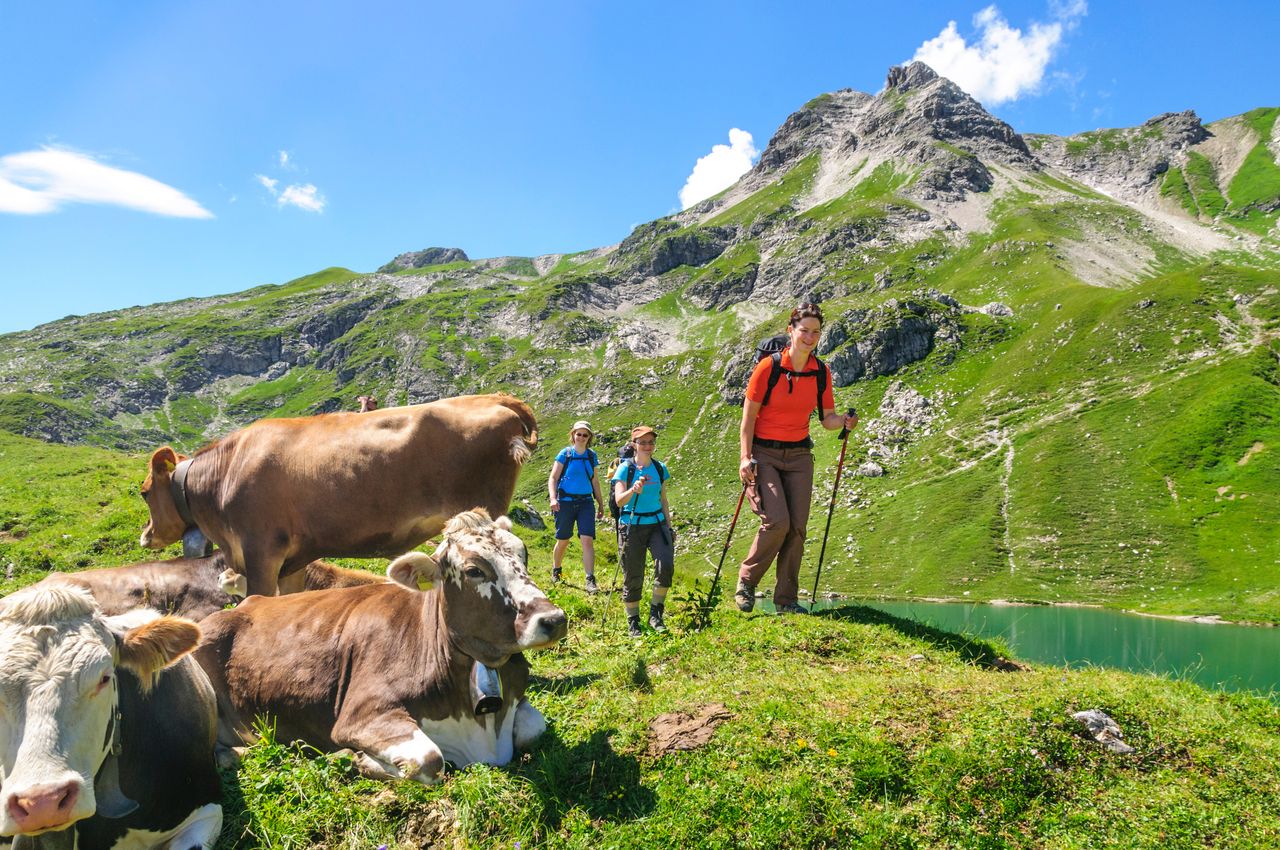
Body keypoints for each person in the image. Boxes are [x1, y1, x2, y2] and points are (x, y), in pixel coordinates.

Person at [736, 302, 858, 615]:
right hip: (765, 453)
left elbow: (826, 418)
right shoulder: (769, 367)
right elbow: (748, 420)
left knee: (797, 528)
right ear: (791, 330)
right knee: (778, 522)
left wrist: (842, 421)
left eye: (816, 332)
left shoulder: (821, 371)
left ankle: (786, 601)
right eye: (804, 330)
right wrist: (745, 458)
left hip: (800, 454)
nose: (810, 336)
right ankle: (747, 581)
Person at [612, 425, 675, 637]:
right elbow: (620, 500)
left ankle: (656, 614)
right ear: (634, 445)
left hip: (657, 524)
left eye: (651, 442)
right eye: (643, 442)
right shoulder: (625, 469)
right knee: (633, 574)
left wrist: (669, 526)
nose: (648, 446)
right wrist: (633, 489)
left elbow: (663, 500)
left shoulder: (659, 468)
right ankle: (633, 622)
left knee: (665, 565)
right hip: (632, 525)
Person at [548, 420, 605, 592]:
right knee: (563, 540)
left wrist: (601, 504)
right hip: (564, 503)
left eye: (584, 435)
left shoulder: (591, 456)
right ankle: (556, 570)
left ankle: (590, 579)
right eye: (578, 434)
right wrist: (553, 498)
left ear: (589, 437)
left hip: (586, 503)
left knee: (587, 541)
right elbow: (553, 478)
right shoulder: (565, 454)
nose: (581, 437)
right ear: (573, 435)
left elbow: (595, 481)